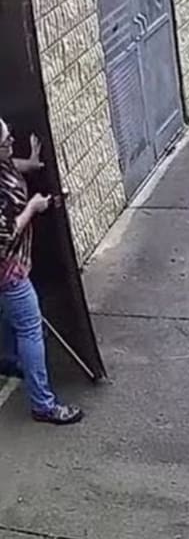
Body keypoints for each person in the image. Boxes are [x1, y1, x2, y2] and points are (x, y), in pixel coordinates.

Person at [0, 117, 84, 425]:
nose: (11, 142)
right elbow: (5, 236)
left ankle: (7, 360)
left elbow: (10, 166)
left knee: (8, 316)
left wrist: (32, 163)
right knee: (30, 329)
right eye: (5, 141)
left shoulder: (4, 163)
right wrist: (32, 208)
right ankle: (43, 405)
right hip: (8, 270)